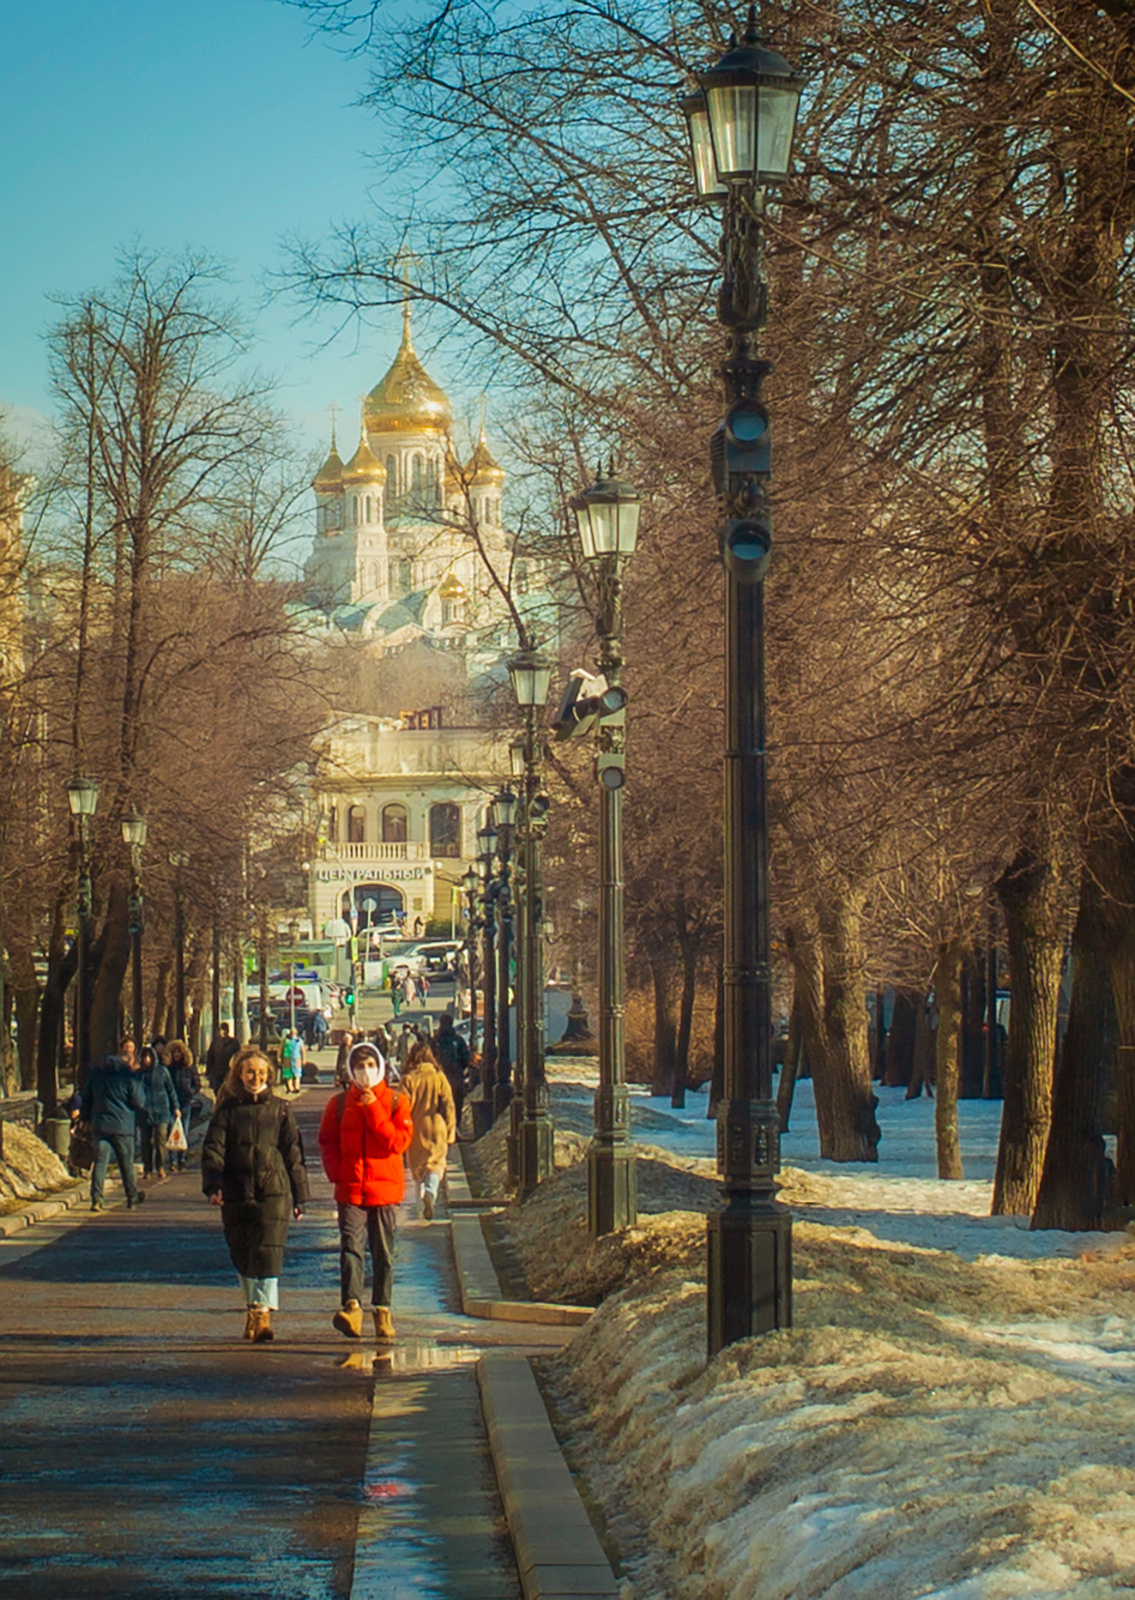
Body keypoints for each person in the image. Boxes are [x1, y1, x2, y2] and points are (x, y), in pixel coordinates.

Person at [201, 1047, 309, 1343]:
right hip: (237, 1190)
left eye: (261, 1073)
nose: (255, 1077)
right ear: (239, 1075)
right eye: (249, 1072)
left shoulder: (281, 1109)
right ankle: (252, 1305)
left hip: (273, 1190)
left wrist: (301, 1196)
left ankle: (263, 1313)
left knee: (268, 1251)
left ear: (270, 1076)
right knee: (242, 1252)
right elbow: (214, 1150)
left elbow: (293, 1153)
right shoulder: (227, 1111)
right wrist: (214, 1185)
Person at [318, 1040, 412, 1342]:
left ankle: (382, 1309)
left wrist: (373, 1108)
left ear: (381, 1067)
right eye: (359, 1066)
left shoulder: (397, 1102)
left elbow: (396, 1143)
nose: (365, 1071)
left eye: (370, 1065)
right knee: (350, 1249)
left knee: (382, 1251)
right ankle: (352, 1307)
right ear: (351, 1070)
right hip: (350, 1188)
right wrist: (337, 1172)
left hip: (384, 1190)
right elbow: (328, 1142)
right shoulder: (339, 1104)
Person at [81, 1037, 146, 1213]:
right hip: (123, 1128)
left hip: (100, 1126)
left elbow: (86, 1098)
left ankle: (96, 1199)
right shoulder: (129, 1076)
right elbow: (140, 1101)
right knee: (126, 1165)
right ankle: (132, 1198)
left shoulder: (97, 1074)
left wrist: (85, 1118)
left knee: (99, 1164)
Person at [402, 1039, 457, 1222]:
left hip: (416, 1127)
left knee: (418, 1166)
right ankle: (431, 1193)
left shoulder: (408, 1079)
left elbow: (401, 1106)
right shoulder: (439, 1076)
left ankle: (420, 1202)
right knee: (436, 1164)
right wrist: (450, 1130)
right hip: (437, 1125)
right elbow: (449, 1104)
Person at [137, 1044, 179, 1182]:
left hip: (162, 1110)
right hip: (144, 1112)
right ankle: (147, 1168)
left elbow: (171, 1089)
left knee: (160, 1140)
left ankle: (160, 1166)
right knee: (145, 1142)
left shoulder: (162, 1071)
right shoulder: (139, 1074)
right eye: (144, 1057)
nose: (147, 1059)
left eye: (149, 1056)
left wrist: (175, 1107)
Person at [165, 1039, 200, 1172]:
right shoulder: (169, 1069)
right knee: (172, 1132)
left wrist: (190, 1092)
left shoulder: (189, 1068)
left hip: (186, 1103)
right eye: (174, 1051)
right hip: (172, 1104)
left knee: (183, 1132)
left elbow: (197, 1084)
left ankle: (183, 1159)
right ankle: (173, 1160)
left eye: (179, 1051)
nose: (176, 1054)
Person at [432, 1012, 471, 1126]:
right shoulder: (458, 1040)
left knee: (440, 1104)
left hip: (439, 1078)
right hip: (456, 1078)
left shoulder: (435, 1041)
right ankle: (455, 1127)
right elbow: (466, 1058)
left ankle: (442, 1126)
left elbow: (430, 1058)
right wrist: (459, 1069)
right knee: (456, 1104)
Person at [205, 1023, 238, 1094]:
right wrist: (208, 1072)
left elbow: (238, 1056)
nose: (224, 1032)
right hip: (217, 1072)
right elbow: (210, 1057)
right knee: (217, 1091)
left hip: (229, 1072)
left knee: (228, 1091)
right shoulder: (215, 1042)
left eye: (225, 1030)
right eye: (222, 1030)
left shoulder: (234, 1043)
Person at [281, 1029, 305, 1096]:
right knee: (288, 1074)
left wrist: (303, 1059)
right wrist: (279, 1057)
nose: (292, 1033)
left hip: (297, 1058)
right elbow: (281, 1049)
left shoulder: (299, 1040)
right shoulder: (285, 1041)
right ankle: (290, 1088)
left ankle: (297, 1087)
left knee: (297, 1073)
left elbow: (303, 1050)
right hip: (287, 1058)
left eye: (293, 1032)